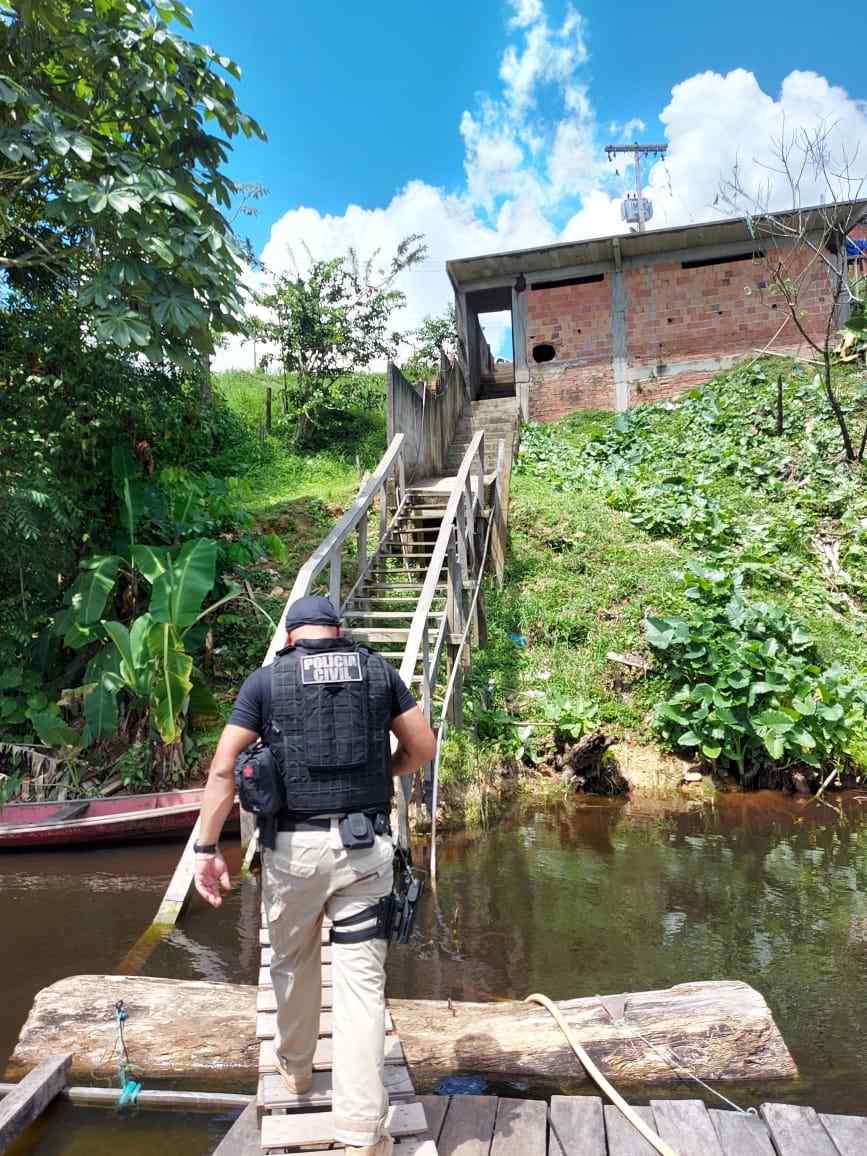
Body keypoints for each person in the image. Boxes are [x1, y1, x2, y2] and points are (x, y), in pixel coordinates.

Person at [193, 595, 436, 1156]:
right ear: (338, 631)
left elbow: (225, 768)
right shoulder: (379, 672)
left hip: (294, 853)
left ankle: (297, 1071)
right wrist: (386, 771)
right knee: (360, 990)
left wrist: (208, 847)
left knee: (293, 963)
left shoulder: (266, 683)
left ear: (291, 636)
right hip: (365, 850)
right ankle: (360, 1133)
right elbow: (420, 746)